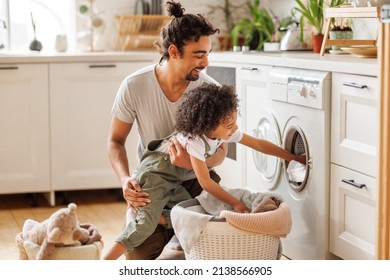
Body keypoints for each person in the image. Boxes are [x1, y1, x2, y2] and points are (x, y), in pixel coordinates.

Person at [103, 82, 306, 260]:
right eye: (229, 124)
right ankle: (106, 260)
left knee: (188, 205)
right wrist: (235, 202)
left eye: (235, 121)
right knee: (144, 227)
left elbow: (258, 144)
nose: (234, 128)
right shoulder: (195, 140)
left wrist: (293, 157)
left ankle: (157, 215)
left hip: (176, 179)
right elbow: (206, 182)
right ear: (208, 125)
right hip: (156, 173)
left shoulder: (222, 131)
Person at [106, 1, 223, 260]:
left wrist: (192, 165)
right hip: (154, 181)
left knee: (211, 250)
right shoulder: (134, 86)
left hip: (195, 182)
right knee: (136, 259)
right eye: (198, 54)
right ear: (173, 51)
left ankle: (168, 224)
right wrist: (125, 180)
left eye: (208, 53)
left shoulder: (209, 91)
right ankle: (164, 222)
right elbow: (115, 141)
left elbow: (222, 151)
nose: (206, 62)